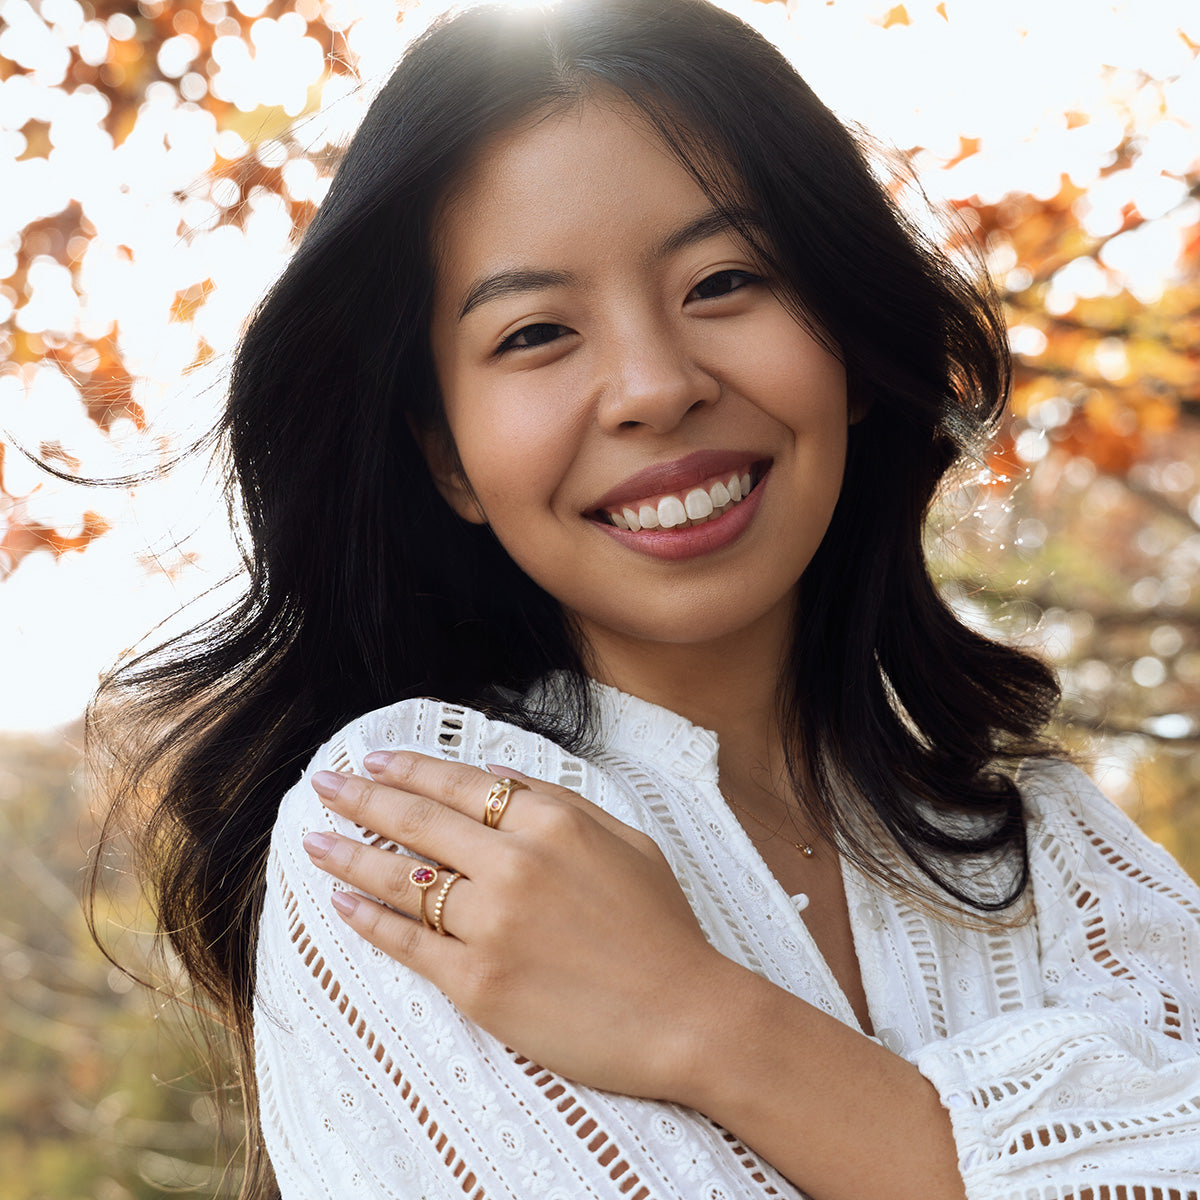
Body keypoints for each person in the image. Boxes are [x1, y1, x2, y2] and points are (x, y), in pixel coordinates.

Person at [88, 0, 1200, 1197]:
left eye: (725, 279)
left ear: (848, 341)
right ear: (450, 457)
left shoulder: (1053, 847)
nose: (655, 389)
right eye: (535, 333)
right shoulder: (419, 832)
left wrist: (710, 1028)